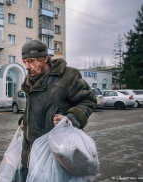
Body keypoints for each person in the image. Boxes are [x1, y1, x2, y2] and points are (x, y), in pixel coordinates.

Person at [17, 40, 97, 181]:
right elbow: (38, 106)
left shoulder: (68, 76)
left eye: (31, 61)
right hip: (31, 151)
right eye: (25, 62)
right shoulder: (31, 80)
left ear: (45, 58)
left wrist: (71, 118)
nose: (27, 67)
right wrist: (25, 120)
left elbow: (88, 100)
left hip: (59, 153)